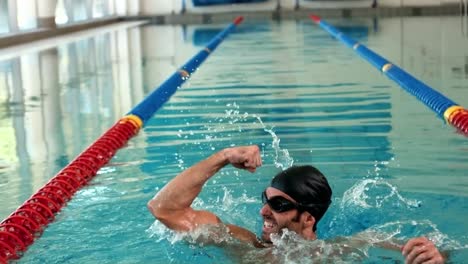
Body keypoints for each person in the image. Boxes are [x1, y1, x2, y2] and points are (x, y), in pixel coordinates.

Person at [147, 145, 445, 263]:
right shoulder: (245, 246)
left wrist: (435, 256)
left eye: (278, 205)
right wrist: (224, 156)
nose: (263, 211)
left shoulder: (345, 248)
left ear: (308, 218)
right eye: (265, 201)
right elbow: (164, 209)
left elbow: (435, 250)